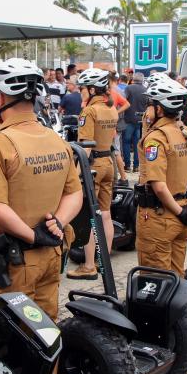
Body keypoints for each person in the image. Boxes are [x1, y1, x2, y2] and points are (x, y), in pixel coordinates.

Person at [0, 59, 83, 321]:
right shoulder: (56, 139)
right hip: (52, 253)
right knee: (46, 333)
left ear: (1, 97)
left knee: (10, 339)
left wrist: (34, 236)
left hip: (16, 259)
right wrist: (56, 224)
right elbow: (74, 193)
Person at [135, 73, 187, 275]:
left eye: (150, 104)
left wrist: (179, 211)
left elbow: (158, 185)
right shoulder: (185, 133)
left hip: (160, 217)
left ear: (159, 108)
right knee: (176, 275)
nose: (146, 109)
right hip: (182, 215)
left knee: (156, 280)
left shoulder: (156, 138)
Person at [69, 68, 119, 281]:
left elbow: (85, 147)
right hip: (109, 162)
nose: (80, 92)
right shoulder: (111, 109)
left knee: (90, 216)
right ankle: (103, 261)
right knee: (106, 214)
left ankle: (89, 266)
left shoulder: (89, 112)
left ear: (91, 89)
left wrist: (76, 175)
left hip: (94, 164)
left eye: (82, 88)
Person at [123, 72, 147, 173]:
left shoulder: (129, 88)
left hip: (129, 119)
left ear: (133, 79)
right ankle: (136, 166)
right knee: (137, 143)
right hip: (141, 120)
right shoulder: (146, 89)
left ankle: (127, 165)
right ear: (142, 80)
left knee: (126, 142)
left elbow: (123, 100)